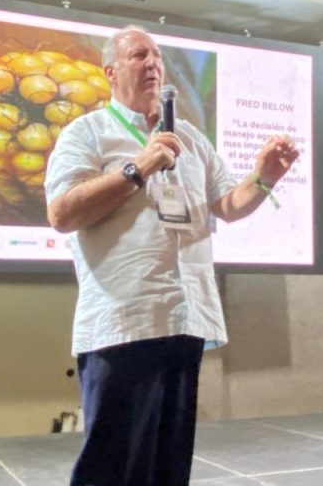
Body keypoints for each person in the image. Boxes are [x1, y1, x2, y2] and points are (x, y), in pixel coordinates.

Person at [45, 25, 299, 485]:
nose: (153, 63)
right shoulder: (87, 133)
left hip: (185, 319)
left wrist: (264, 178)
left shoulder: (191, 138)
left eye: (157, 56)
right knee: (111, 468)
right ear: (110, 71)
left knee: (167, 468)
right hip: (125, 320)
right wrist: (139, 167)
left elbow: (228, 205)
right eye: (139, 55)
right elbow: (62, 213)